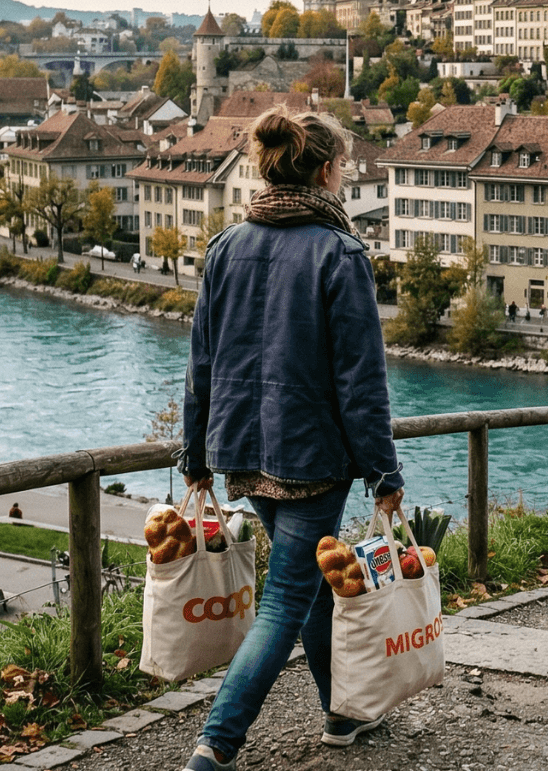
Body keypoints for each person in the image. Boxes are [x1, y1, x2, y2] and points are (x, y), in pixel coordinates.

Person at [180, 105, 407, 771]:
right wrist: (384, 474)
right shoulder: (339, 252)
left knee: (300, 579)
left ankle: (342, 713)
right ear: (330, 170)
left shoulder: (227, 245)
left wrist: (195, 455)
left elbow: (201, 363)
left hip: (241, 452)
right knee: (284, 600)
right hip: (311, 456)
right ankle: (214, 748)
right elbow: (361, 381)